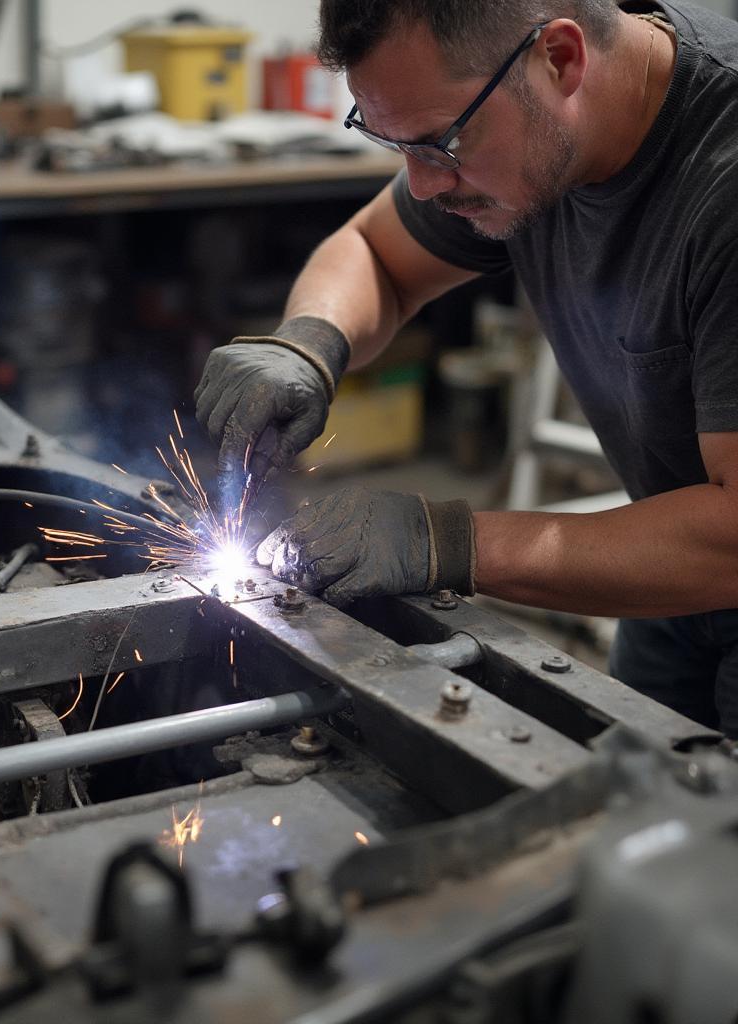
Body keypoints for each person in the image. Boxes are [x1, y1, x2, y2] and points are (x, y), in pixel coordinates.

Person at [193, 0, 738, 735]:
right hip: (673, 574)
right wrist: (307, 345)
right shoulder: (544, 125)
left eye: (440, 142)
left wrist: (447, 542)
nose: (422, 184)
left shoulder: (721, 187)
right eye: (393, 143)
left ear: (562, 59)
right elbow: (377, 253)